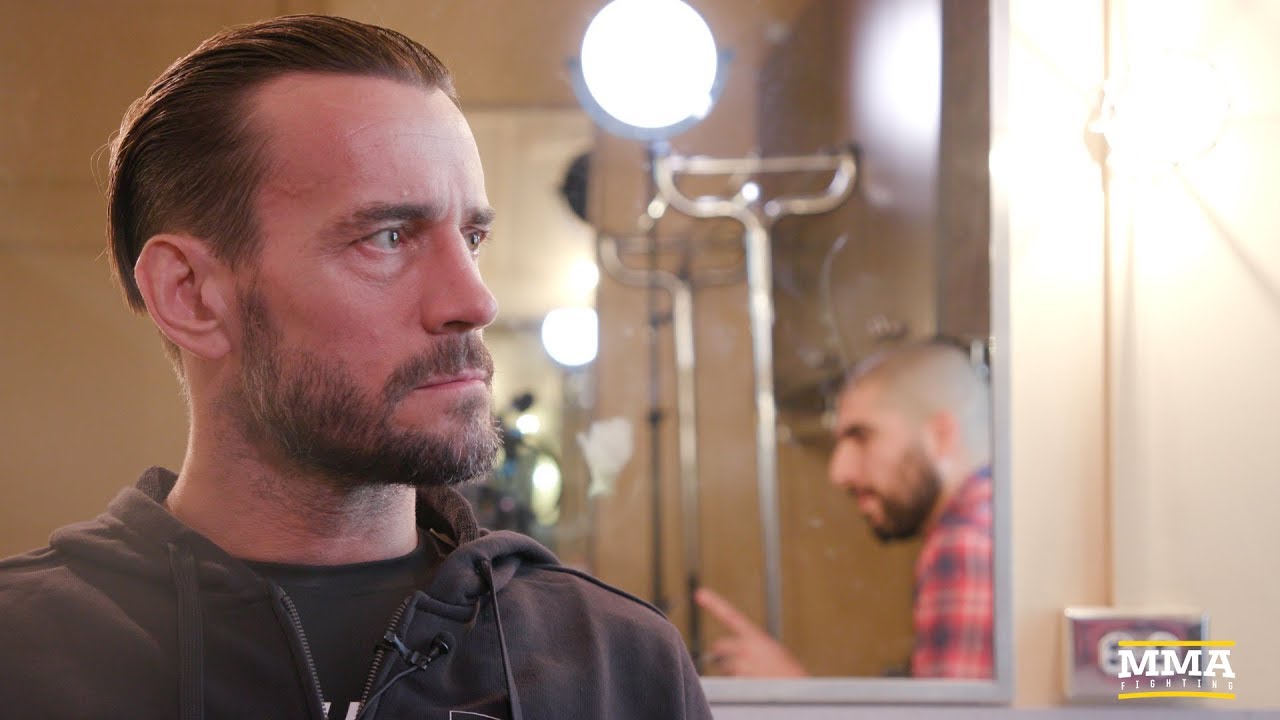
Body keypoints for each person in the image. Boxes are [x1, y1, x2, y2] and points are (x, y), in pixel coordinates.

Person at [0, 15, 710, 720]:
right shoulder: (23, 658)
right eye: (388, 237)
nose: (475, 302)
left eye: (472, 237)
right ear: (190, 294)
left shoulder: (614, 665)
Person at [696, 340, 993, 679]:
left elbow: (954, 709)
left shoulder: (963, 543)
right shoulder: (991, 523)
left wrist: (792, 691)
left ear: (941, 435)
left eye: (862, 436)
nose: (839, 473)